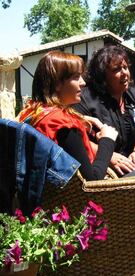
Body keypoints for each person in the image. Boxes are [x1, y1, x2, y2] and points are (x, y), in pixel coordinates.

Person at [74, 45, 135, 183]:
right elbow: (78, 142)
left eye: (125, 67)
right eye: (116, 69)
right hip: (103, 164)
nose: (124, 73)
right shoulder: (85, 100)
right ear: (102, 75)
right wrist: (110, 157)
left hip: (132, 158)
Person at [18, 51, 118, 181]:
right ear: (56, 83)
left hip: (43, 195)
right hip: (84, 199)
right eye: (76, 77)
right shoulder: (65, 127)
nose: (83, 83)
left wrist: (82, 119)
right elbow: (92, 181)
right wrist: (107, 140)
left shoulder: (32, 110)